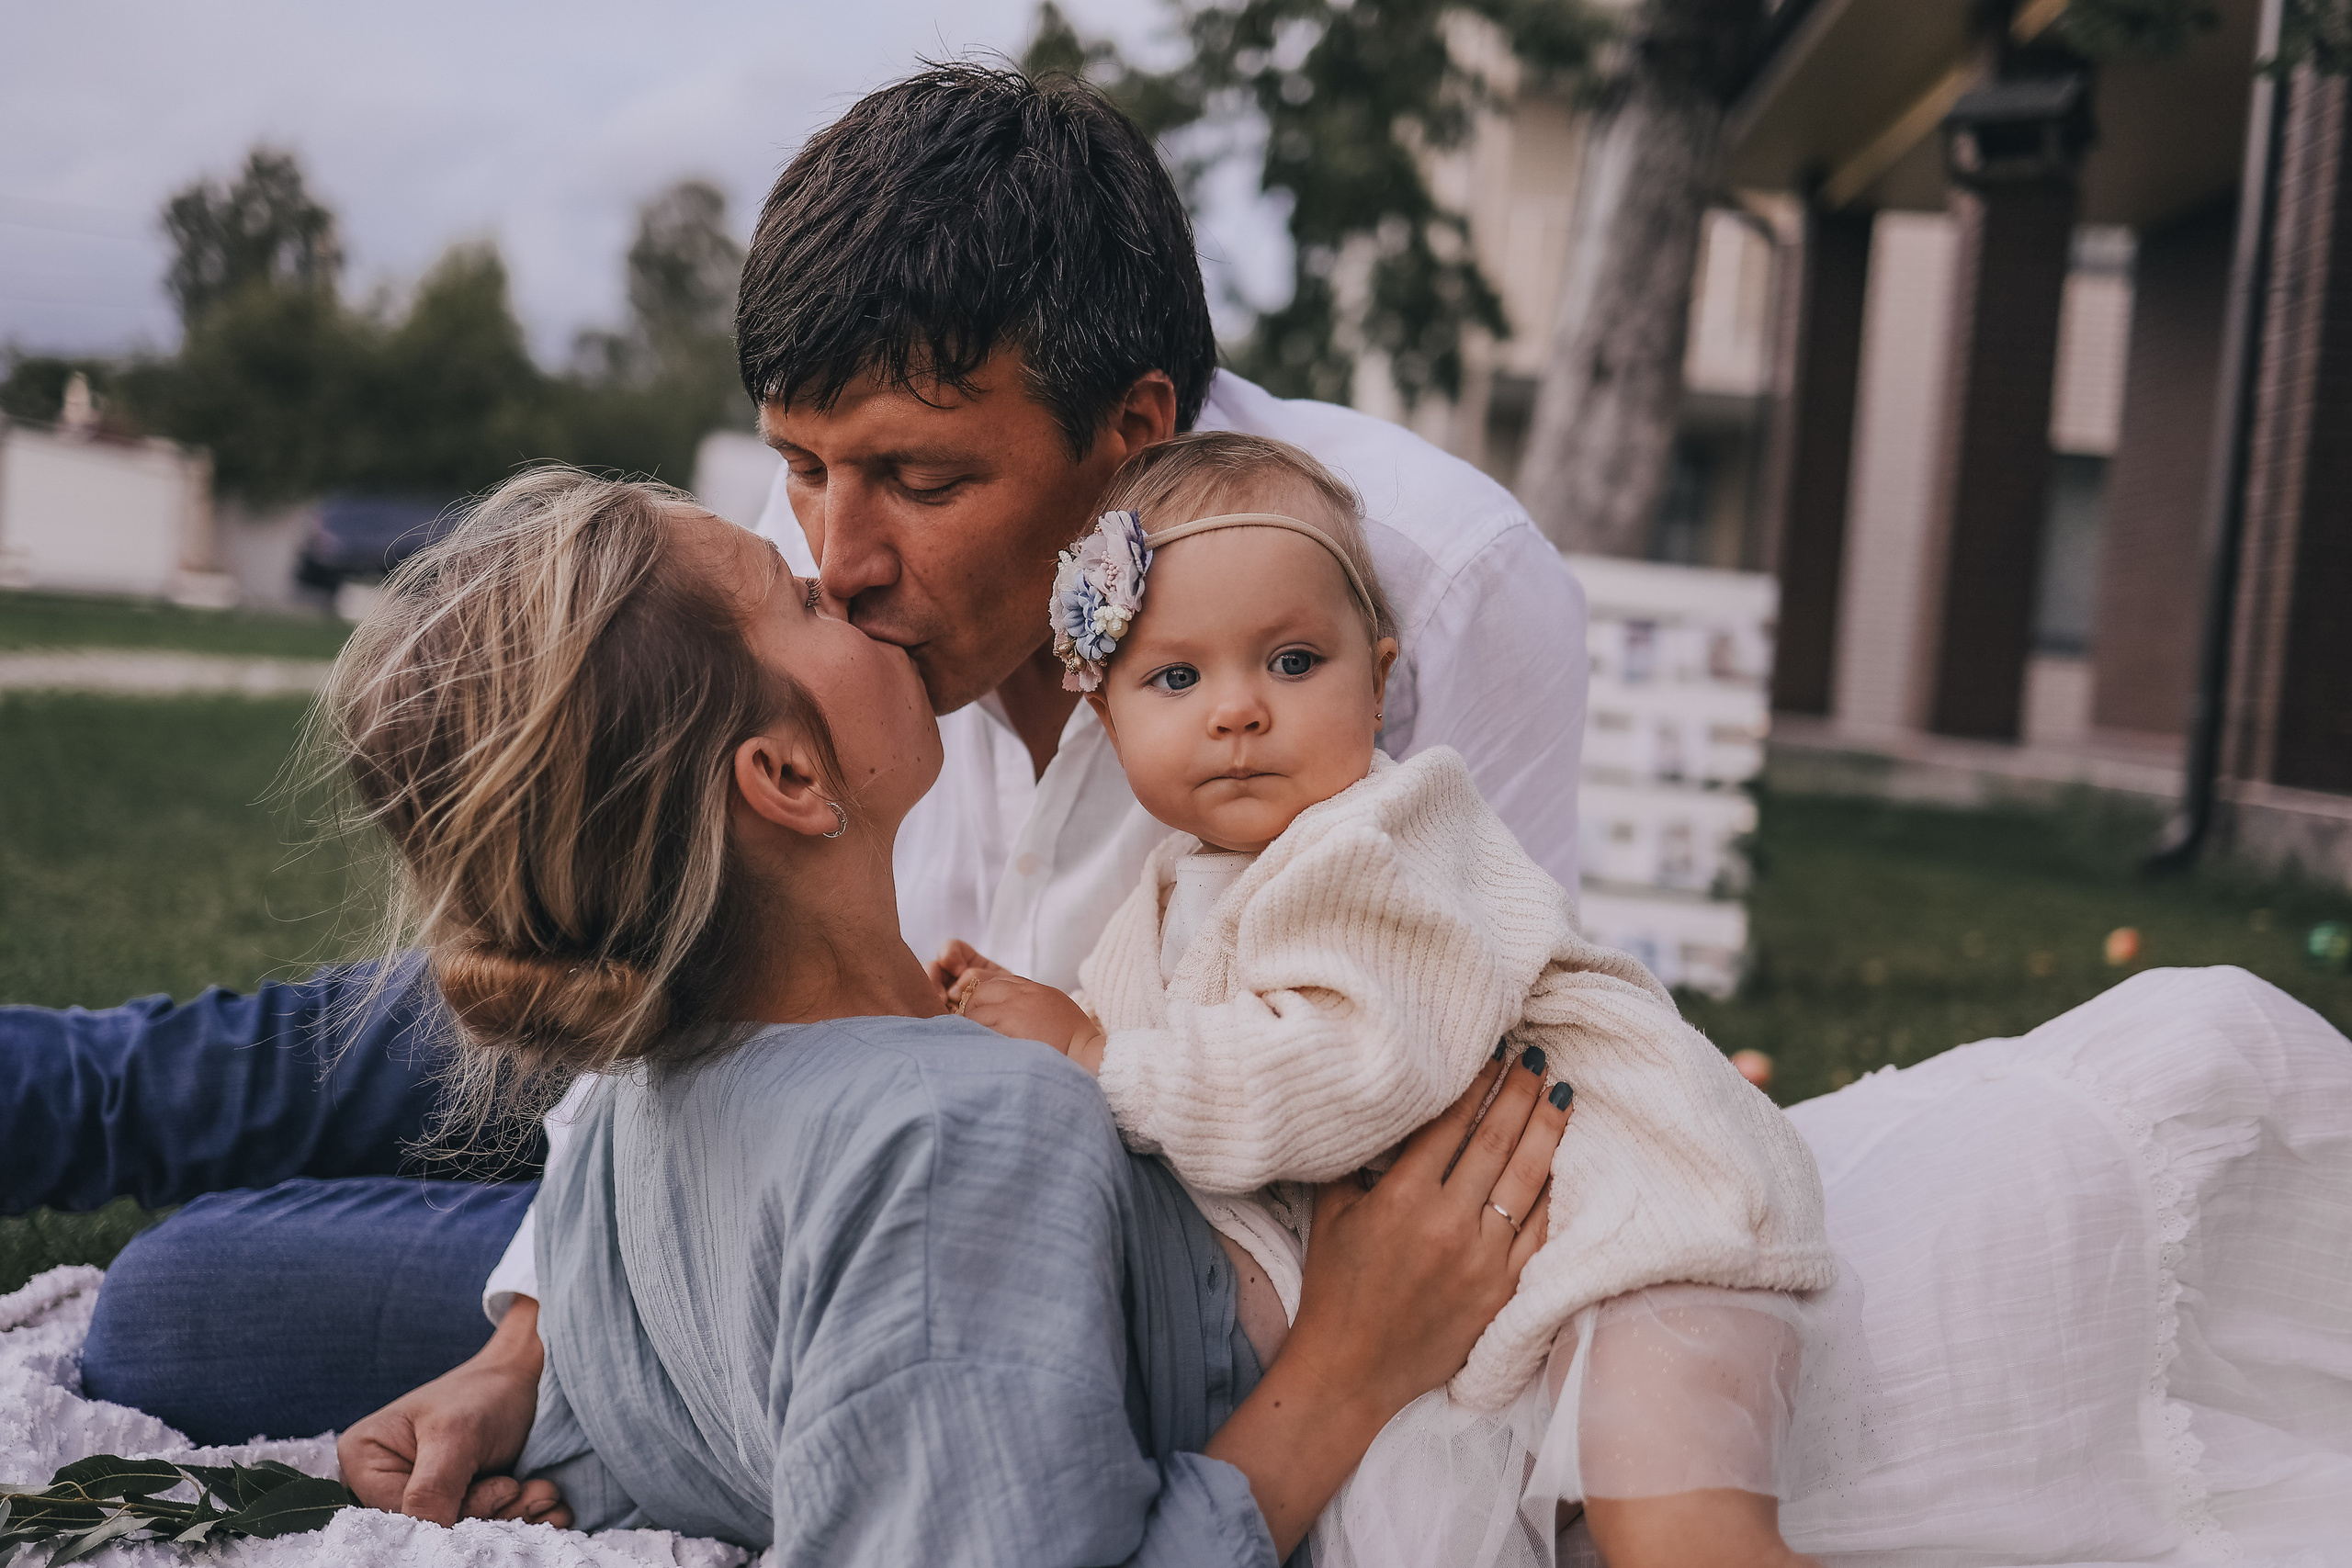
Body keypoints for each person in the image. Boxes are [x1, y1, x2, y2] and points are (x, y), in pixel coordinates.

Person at [13, 60, 1583, 1521]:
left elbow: (1441, 1094)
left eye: (923, 481)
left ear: (1133, 436)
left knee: (187, 1297)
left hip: (912, 1197)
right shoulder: (839, 519)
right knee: (305, 1049)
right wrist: (523, 1349)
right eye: (802, 468)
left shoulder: (1413, 596)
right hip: (722, 1024)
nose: (839, 557)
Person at [318, 465, 1577, 1564]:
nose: (851, 587)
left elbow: (766, 1415)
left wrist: (547, 1439)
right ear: (790, 776)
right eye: (803, 598)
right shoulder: (966, 1135)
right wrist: (1347, 1369)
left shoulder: (610, 1147)